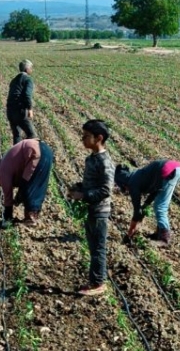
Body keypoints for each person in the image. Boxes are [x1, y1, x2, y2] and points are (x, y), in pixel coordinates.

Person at [68, 120, 115, 296]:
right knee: (93, 246)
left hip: (99, 211)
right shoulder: (92, 159)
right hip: (91, 209)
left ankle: (98, 284)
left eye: (87, 136)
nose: (83, 139)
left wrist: (84, 195)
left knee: (98, 248)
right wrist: (78, 188)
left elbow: (106, 189)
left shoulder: (105, 162)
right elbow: (92, 184)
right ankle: (95, 280)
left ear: (99, 138)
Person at [0, 138, 53, 227]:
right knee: (37, 186)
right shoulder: (5, 163)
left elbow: (8, 197)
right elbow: (22, 182)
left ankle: (30, 218)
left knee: (30, 188)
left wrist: (7, 218)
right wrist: (19, 197)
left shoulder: (2, 170)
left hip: (35, 153)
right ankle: (32, 216)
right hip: (45, 150)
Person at [114, 159, 180, 247]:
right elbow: (154, 192)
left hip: (168, 171)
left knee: (160, 207)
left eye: (125, 189)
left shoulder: (132, 184)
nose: (127, 191)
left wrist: (130, 233)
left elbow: (137, 211)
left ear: (124, 184)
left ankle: (164, 238)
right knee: (158, 205)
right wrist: (145, 206)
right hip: (175, 168)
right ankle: (159, 233)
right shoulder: (137, 176)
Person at [6, 59, 37, 145]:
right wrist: (30, 109)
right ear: (27, 69)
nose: (32, 70)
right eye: (31, 68)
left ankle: (16, 156)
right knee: (32, 135)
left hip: (10, 110)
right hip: (20, 110)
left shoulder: (14, 80)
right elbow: (27, 95)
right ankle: (27, 154)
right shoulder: (28, 79)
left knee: (17, 136)